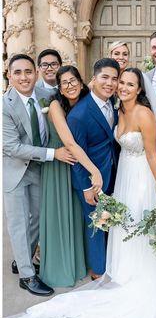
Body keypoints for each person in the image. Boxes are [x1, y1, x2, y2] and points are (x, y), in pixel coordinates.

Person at [3, 68, 156, 318]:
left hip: (142, 177)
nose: (123, 87)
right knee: (122, 225)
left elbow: (153, 154)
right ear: (95, 80)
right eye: (122, 82)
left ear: (140, 89)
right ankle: (120, 270)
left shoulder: (143, 113)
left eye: (130, 84)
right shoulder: (116, 109)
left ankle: (139, 273)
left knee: (137, 222)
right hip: (123, 177)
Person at [3, 54, 74, 296]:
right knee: (19, 223)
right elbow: (12, 147)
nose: (24, 77)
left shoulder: (47, 97)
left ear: (36, 73)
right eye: (18, 72)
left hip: (41, 169)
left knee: (39, 219)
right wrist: (54, 154)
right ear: (9, 75)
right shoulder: (5, 105)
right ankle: (26, 275)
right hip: (16, 171)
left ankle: (21, 257)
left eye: (28, 71)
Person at [39, 65, 103, 287]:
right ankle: (61, 265)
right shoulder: (56, 105)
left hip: (76, 163)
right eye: (64, 82)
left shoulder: (87, 100)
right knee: (61, 214)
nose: (70, 85)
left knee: (77, 215)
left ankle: (80, 262)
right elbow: (69, 143)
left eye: (73, 80)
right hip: (61, 162)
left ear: (81, 81)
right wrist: (94, 171)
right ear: (59, 87)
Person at [67, 58, 121, 280]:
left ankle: (113, 262)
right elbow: (77, 157)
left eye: (114, 78)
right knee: (96, 225)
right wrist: (87, 188)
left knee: (111, 220)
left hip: (115, 171)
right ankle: (98, 272)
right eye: (105, 77)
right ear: (94, 79)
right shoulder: (79, 115)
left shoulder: (115, 104)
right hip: (91, 180)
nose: (110, 83)